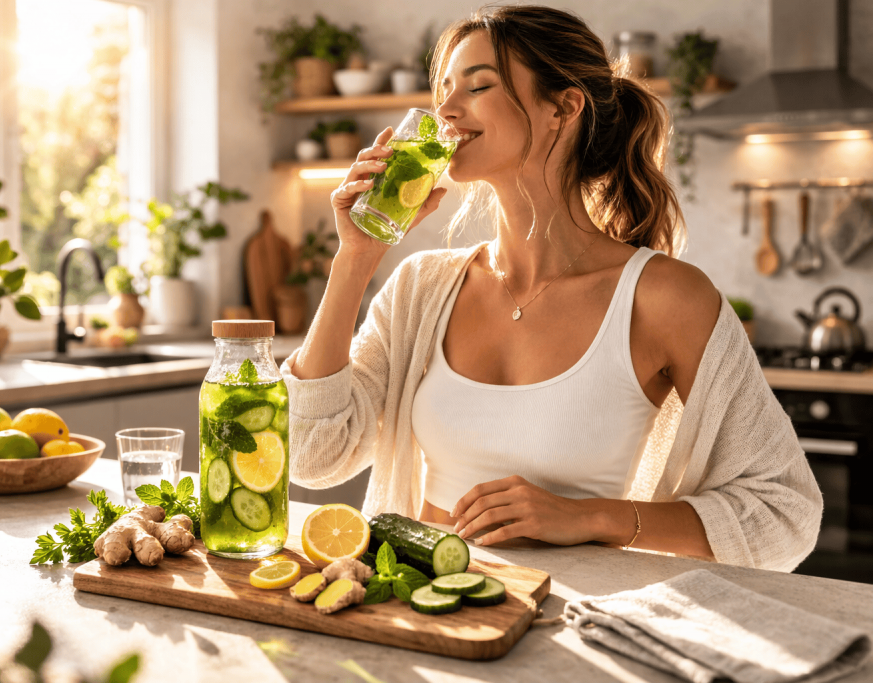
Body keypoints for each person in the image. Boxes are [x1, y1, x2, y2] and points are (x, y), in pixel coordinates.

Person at [281, 5, 822, 571]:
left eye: (478, 85)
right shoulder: (422, 286)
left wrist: (592, 516)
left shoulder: (664, 298)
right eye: (442, 89)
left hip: (575, 626)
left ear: (563, 106)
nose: (444, 109)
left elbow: (784, 512)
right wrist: (356, 258)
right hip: (424, 607)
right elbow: (315, 457)